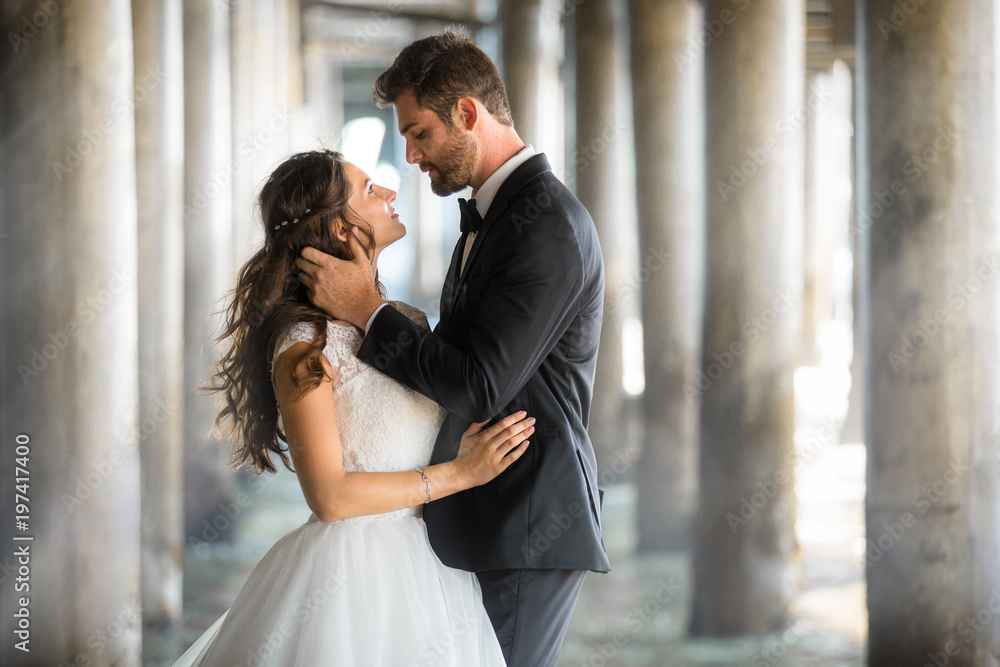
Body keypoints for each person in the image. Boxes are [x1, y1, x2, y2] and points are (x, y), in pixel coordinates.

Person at [295, 31, 611, 666]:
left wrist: (366, 310)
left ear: (467, 114)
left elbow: (479, 385)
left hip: (524, 522)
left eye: (418, 133)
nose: (409, 156)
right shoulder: (491, 216)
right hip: (478, 520)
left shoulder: (546, 224)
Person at [172, 149, 535, 666]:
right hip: (345, 577)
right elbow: (329, 496)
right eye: (370, 190)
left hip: (432, 568)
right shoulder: (304, 346)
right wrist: (460, 474)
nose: (390, 192)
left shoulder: (406, 320)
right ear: (342, 229)